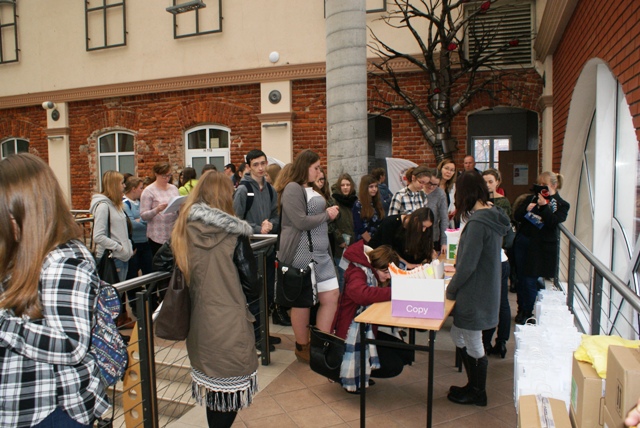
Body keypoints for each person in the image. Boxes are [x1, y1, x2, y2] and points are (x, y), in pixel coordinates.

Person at [0, 153, 110, 427]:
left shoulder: (65, 260)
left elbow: (71, 344)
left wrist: (3, 326)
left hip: (50, 410)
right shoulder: (18, 251)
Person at [170, 171, 260, 428]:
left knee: (214, 393)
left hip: (200, 323)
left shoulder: (183, 229)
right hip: (230, 323)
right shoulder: (235, 234)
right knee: (229, 395)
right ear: (225, 197)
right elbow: (252, 286)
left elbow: (161, 262)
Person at [446, 171, 510, 407]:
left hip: (474, 292)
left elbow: (467, 266)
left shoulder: (477, 224)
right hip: (485, 288)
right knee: (458, 334)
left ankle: (477, 391)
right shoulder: (492, 215)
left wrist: (450, 290)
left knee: (473, 341)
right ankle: (472, 385)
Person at [278, 150, 340, 363]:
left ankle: (319, 344)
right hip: (302, 253)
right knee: (302, 301)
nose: (319, 171)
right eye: (316, 168)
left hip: (321, 253)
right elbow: (300, 222)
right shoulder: (292, 188)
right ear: (305, 167)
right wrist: (327, 215)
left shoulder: (311, 189)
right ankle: (302, 345)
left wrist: (327, 216)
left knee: (331, 296)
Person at [332, 242, 414, 392]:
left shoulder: (369, 271)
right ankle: (352, 372)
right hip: (350, 335)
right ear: (375, 266)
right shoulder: (358, 272)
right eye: (385, 272)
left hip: (364, 328)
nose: (388, 277)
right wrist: (396, 292)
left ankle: (363, 370)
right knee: (394, 365)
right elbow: (362, 295)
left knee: (407, 353)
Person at [233, 150, 290, 331]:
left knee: (267, 294)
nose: (260, 168)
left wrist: (271, 224)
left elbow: (276, 215)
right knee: (254, 296)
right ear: (248, 167)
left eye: (263, 163)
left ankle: (264, 335)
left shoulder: (271, 190)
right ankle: (256, 336)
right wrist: (258, 228)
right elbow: (236, 221)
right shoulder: (243, 191)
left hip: (268, 249)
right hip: (250, 251)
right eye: (255, 164)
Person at [513, 171, 569, 324]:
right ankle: (521, 308)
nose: (541, 188)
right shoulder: (531, 198)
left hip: (540, 248)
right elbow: (517, 216)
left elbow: (552, 222)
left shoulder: (562, 205)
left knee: (530, 280)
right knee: (520, 279)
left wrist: (544, 207)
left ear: (554, 185)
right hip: (524, 242)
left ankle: (527, 311)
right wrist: (527, 208)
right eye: (539, 184)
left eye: (545, 185)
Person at [481, 168, 512, 358]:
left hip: (497, 257)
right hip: (492, 257)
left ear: (497, 182)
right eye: (484, 181)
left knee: (500, 302)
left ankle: (500, 341)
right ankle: (487, 341)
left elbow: (504, 229)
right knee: (495, 301)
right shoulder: (480, 202)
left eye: (490, 181)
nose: (487, 185)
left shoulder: (502, 203)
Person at [90, 170, 134, 282]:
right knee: (115, 291)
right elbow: (98, 236)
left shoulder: (116, 205)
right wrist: (118, 247)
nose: (124, 186)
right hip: (112, 258)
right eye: (122, 183)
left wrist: (127, 247)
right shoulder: (103, 206)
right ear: (114, 185)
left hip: (121, 257)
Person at [368, 207, 436, 269]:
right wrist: (406, 264)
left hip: (397, 262)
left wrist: (430, 253)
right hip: (379, 261)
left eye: (427, 227)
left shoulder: (417, 228)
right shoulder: (390, 223)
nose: (424, 230)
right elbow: (388, 250)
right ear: (415, 219)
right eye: (423, 226)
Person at [123, 176, 154, 316]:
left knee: (149, 272)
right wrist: (143, 219)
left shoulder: (140, 202)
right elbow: (132, 224)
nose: (143, 191)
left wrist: (141, 219)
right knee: (133, 275)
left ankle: (151, 302)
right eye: (141, 188)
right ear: (133, 189)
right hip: (134, 243)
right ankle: (135, 305)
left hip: (145, 241)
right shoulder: (125, 204)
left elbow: (147, 219)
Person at [140, 162, 180, 256]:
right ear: (156, 174)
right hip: (157, 235)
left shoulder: (174, 188)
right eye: (164, 176)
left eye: (169, 175)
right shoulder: (149, 191)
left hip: (173, 233)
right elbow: (143, 215)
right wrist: (157, 210)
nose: (167, 178)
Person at [330, 173, 358, 291]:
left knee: (354, 277)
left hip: (355, 245)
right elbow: (332, 224)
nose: (345, 187)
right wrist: (340, 239)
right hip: (341, 247)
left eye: (348, 184)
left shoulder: (355, 202)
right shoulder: (334, 202)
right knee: (342, 277)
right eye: (342, 185)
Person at [352, 174, 385, 244]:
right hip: (364, 243)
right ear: (365, 188)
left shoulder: (377, 203)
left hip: (378, 241)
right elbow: (360, 228)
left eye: (376, 186)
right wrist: (372, 243)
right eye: (371, 187)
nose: (374, 189)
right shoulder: (358, 205)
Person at [423, 168, 448, 253]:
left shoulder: (440, 193)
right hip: (416, 235)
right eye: (429, 183)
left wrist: (444, 242)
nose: (431, 186)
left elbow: (444, 218)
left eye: (435, 184)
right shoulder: (418, 191)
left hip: (433, 236)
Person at [437, 158, 457, 227]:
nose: (449, 172)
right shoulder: (432, 185)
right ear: (440, 169)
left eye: (452, 170)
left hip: (447, 224)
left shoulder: (453, 187)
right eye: (446, 168)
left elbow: (452, 204)